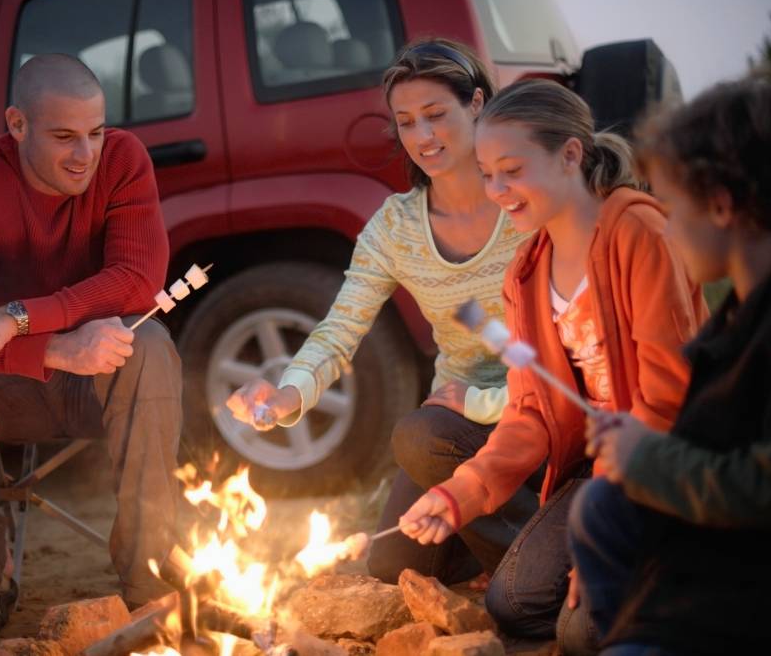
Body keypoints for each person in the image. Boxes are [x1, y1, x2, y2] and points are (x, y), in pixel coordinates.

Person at [398, 78, 707, 653]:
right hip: (594, 470)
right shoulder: (527, 271)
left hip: (663, 462)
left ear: (570, 154)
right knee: (513, 604)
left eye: (512, 170)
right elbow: (531, 412)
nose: (497, 190)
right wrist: (459, 494)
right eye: (487, 173)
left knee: (583, 633)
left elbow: (671, 398)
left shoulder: (637, 232)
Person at [226, 38, 538, 586]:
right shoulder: (394, 228)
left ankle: (532, 571)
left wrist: (488, 401)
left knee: (415, 437)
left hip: (542, 409)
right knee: (393, 567)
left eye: (436, 115)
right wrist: (287, 393)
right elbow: (340, 329)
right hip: (455, 430)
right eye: (406, 121)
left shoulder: (527, 203)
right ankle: (519, 546)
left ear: (477, 104)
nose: (422, 137)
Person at [0, 54, 181, 640]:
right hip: (6, 389)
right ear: (17, 125)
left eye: (95, 133)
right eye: (64, 136)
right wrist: (50, 349)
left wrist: (17, 317)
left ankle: (152, 575)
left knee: (149, 343)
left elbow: (137, 276)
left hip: (99, 383)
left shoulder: (124, 159)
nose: (86, 154)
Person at [569, 71, 771, 655]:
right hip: (719, 548)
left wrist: (653, 459)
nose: (666, 226)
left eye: (671, 205)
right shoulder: (742, 309)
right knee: (598, 506)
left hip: (764, 582)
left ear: (721, 204)